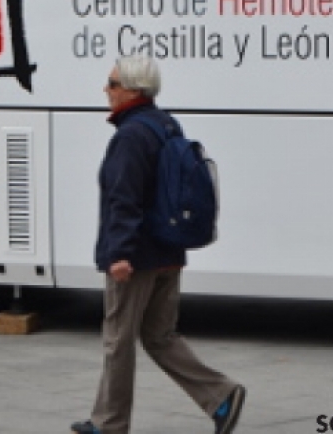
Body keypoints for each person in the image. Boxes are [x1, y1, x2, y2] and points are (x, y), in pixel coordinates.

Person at [72, 55, 245, 434]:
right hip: (168, 251)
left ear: (133, 90)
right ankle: (221, 396)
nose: (107, 90)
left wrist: (119, 253)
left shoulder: (131, 136)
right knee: (160, 336)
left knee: (118, 341)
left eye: (113, 83)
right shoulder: (166, 124)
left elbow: (125, 199)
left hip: (137, 257)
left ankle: (110, 425)